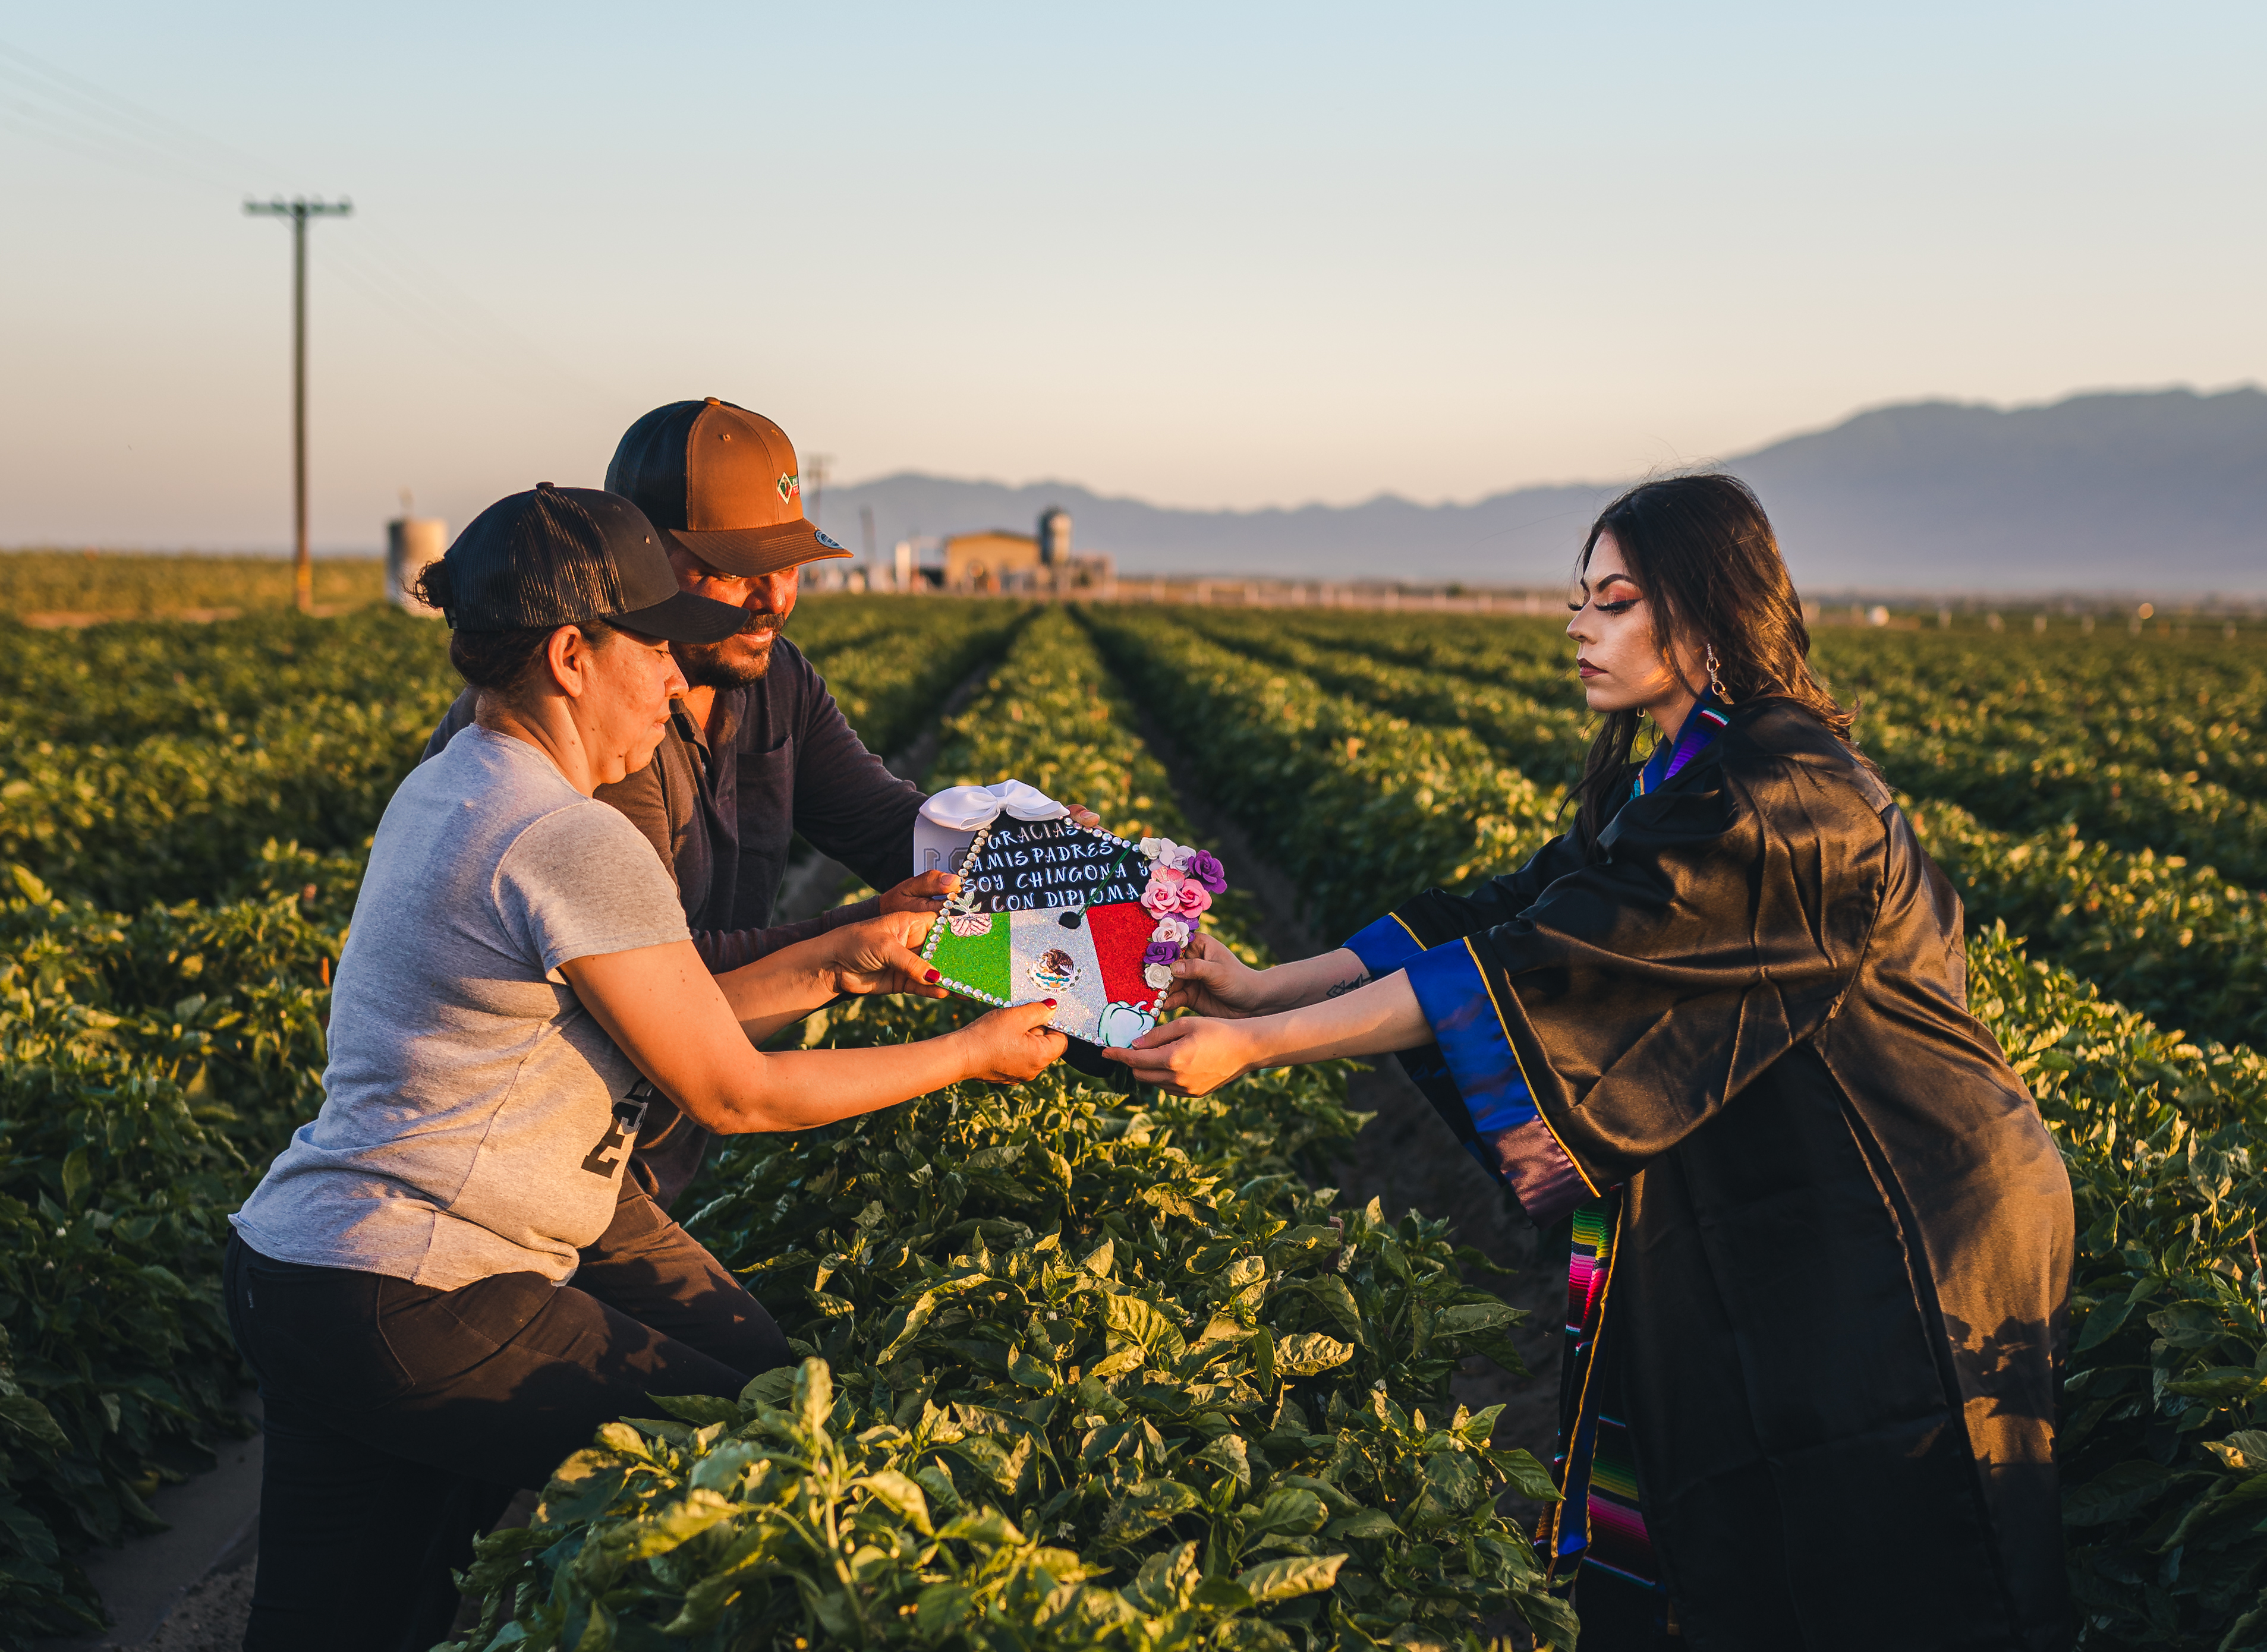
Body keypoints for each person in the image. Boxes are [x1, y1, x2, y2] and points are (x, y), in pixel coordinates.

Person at [1105, 475, 2073, 1652]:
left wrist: (1255, 1044)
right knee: (1742, 1479)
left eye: (1613, 601)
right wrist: (1261, 986)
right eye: (1582, 598)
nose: (1577, 624)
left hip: (1904, 1211)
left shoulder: (1782, 796)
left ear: (1706, 618)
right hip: (1788, 1192)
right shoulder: (1668, 776)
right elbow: (1506, 918)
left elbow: (1537, 965)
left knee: (1881, 1527)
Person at [228, 485, 1065, 1652]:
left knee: (347, 1619)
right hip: (419, 1290)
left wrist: (840, 959)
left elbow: (667, 1018)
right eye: (657, 653)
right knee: (755, 1463)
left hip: (302, 1271)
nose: (678, 685)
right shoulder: (575, 835)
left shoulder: (459, 778)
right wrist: (971, 1049)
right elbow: (733, 1087)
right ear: (572, 655)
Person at [424, 399, 1091, 1206]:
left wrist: (1048, 872)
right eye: (736, 570)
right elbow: (663, 990)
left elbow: (883, 822)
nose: (773, 599)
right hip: (537, 1148)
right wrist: (855, 937)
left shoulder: (774, 679)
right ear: (639, 554)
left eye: (789, 568)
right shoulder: (580, 735)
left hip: (641, 1145)